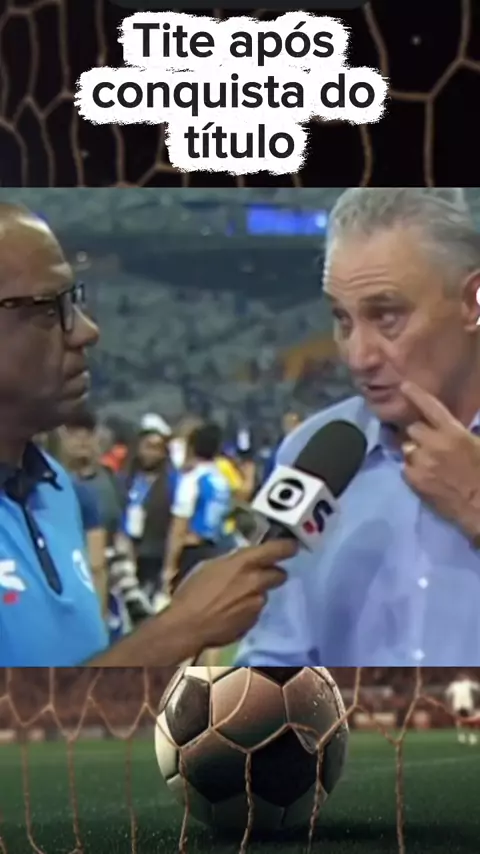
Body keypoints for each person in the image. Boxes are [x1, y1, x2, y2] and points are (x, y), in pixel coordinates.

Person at [0, 201, 294, 666]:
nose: (87, 331)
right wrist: (180, 629)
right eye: (47, 310)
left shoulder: (54, 488)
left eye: (73, 301)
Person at [236, 187, 480, 667]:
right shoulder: (309, 455)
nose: (357, 356)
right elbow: (275, 655)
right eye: (342, 319)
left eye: (386, 316)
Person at [162, 423, 232, 594]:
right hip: (217, 551)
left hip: (192, 554)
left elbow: (179, 525)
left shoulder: (191, 479)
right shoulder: (222, 480)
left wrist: (169, 567)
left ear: (191, 447)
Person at [119, 414, 177, 599]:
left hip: (154, 552)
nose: (152, 453)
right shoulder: (126, 477)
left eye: (157, 448)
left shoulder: (172, 482)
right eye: (148, 446)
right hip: (126, 551)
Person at [446, 672, 480, 744]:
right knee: (459, 722)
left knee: (470, 721)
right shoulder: (454, 685)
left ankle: (471, 737)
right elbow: (448, 694)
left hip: (467, 705)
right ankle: (461, 736)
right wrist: (449, 705)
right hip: (458, 706)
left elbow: (477, 688)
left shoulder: (468, 683)